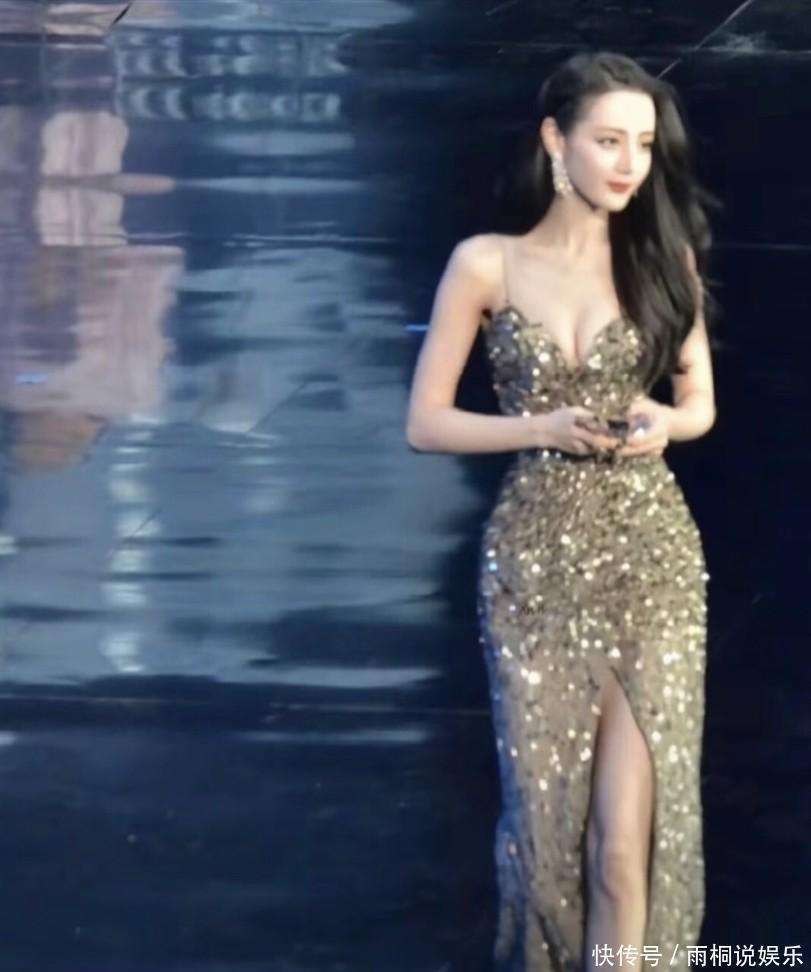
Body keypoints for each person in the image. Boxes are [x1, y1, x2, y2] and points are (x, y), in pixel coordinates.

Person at [405, 52, 718, 972]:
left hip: (651, 558)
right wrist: (537, 427)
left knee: (625, 848)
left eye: (643, 146)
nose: (629, 165)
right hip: (535, 563)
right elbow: (425, 423)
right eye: (608, 141)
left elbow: (700, 405)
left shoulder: (663, 260)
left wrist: (665, 421)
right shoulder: (486, 263)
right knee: (549, 832)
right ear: (555, 140)